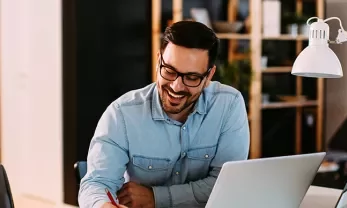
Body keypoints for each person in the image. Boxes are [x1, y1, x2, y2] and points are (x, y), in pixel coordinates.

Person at [78, 20, 250, 208]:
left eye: (191, 77)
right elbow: (96, 184)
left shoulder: (229, 105)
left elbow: (225, 185)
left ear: (209, 75)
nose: (176, 86)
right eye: (169, 71)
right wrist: (104, 205)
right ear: (159, 60)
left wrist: (156, 197)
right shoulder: (122, 114)